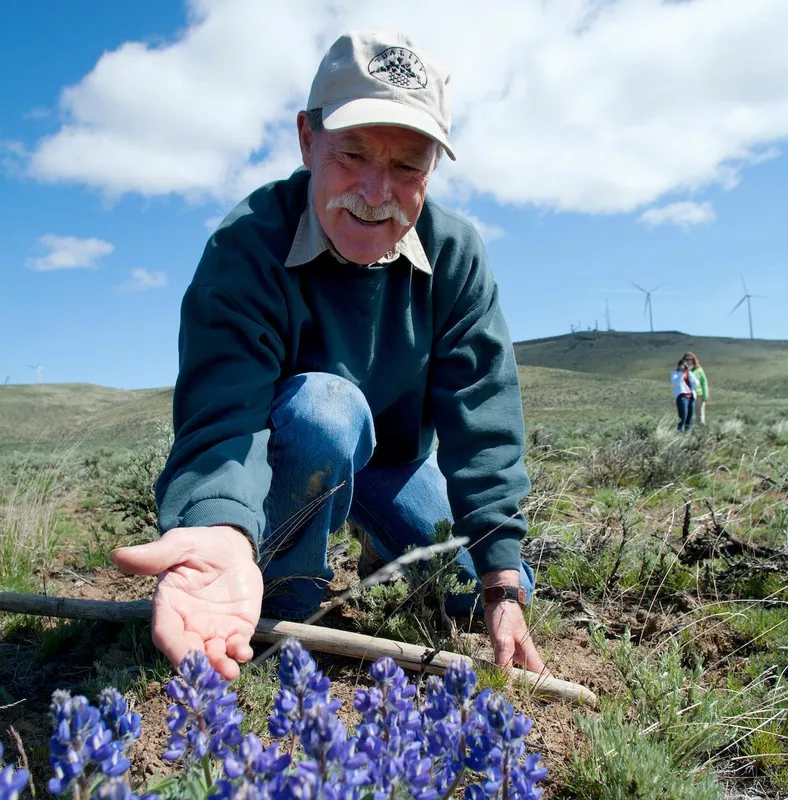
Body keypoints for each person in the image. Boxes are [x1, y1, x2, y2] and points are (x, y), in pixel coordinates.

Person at [111, 30, 547, 681]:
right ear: (307, 139)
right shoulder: (248, 245)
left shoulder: (454, 254)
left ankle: (379, 544)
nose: (376, 191)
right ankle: (284, 591)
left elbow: (481, 420)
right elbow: (224, 419)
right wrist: (222, 528)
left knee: (469, 588)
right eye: (352, 153)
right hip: (283, 460)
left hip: (393, 464)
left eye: (408, 167)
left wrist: (502, 583)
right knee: (325, 408)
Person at [670, 358, 699, 432]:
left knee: (689, 417)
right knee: (683, 416)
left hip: (691, 396)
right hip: (682, 397)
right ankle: (680, 431)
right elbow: (676, 383)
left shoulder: (689, 373)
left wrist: (689, 373)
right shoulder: (675, 373)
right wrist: (682, 373)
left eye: (685, 365)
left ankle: (687, 433)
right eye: (682, 365)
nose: (684, 367)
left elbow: (696, 383)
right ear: (679, 366)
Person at [683, 352, 709, 424]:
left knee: (700, 415)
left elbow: (704, 382)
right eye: (687, 359)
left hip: (698, 395)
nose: (688, 361)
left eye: (690, 359)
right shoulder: (682, 371)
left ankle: (702, 431)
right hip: (687, 395)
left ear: (693, 360)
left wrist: (705, 395)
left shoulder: (698, 369)